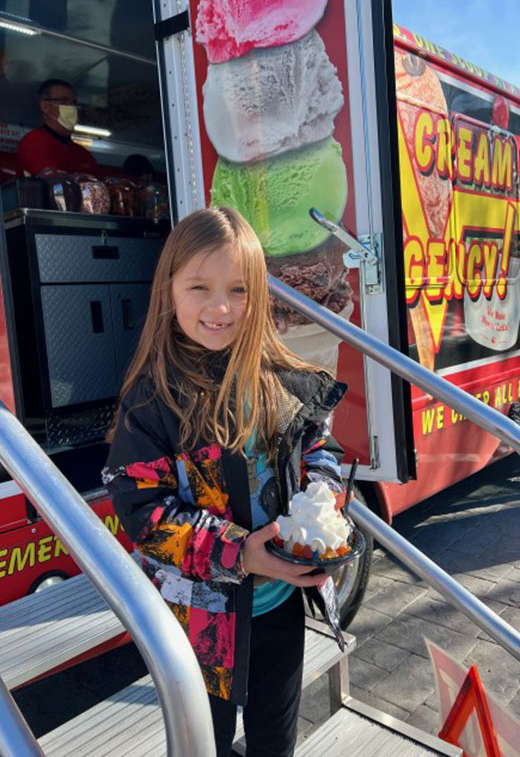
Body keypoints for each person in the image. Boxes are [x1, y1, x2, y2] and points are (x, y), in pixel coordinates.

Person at [102, 207, 347, 757]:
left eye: (238, 289)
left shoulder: (281, 381)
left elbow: (320, 450)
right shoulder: (152, 400)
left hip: (282, 606)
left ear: (259, 296)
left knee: (274, 741)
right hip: (198, 619)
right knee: (201, 743)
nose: (220, 307)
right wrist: (241, 553)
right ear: (168, 290)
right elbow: (144, 513)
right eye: (199, 287)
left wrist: (325, 499)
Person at [16, 79, 99, 177]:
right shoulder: (34, 142)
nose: (71, 107)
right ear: (45, 106)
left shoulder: (81, 153)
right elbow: (53, 182)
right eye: (64, 101)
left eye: (74, 103)